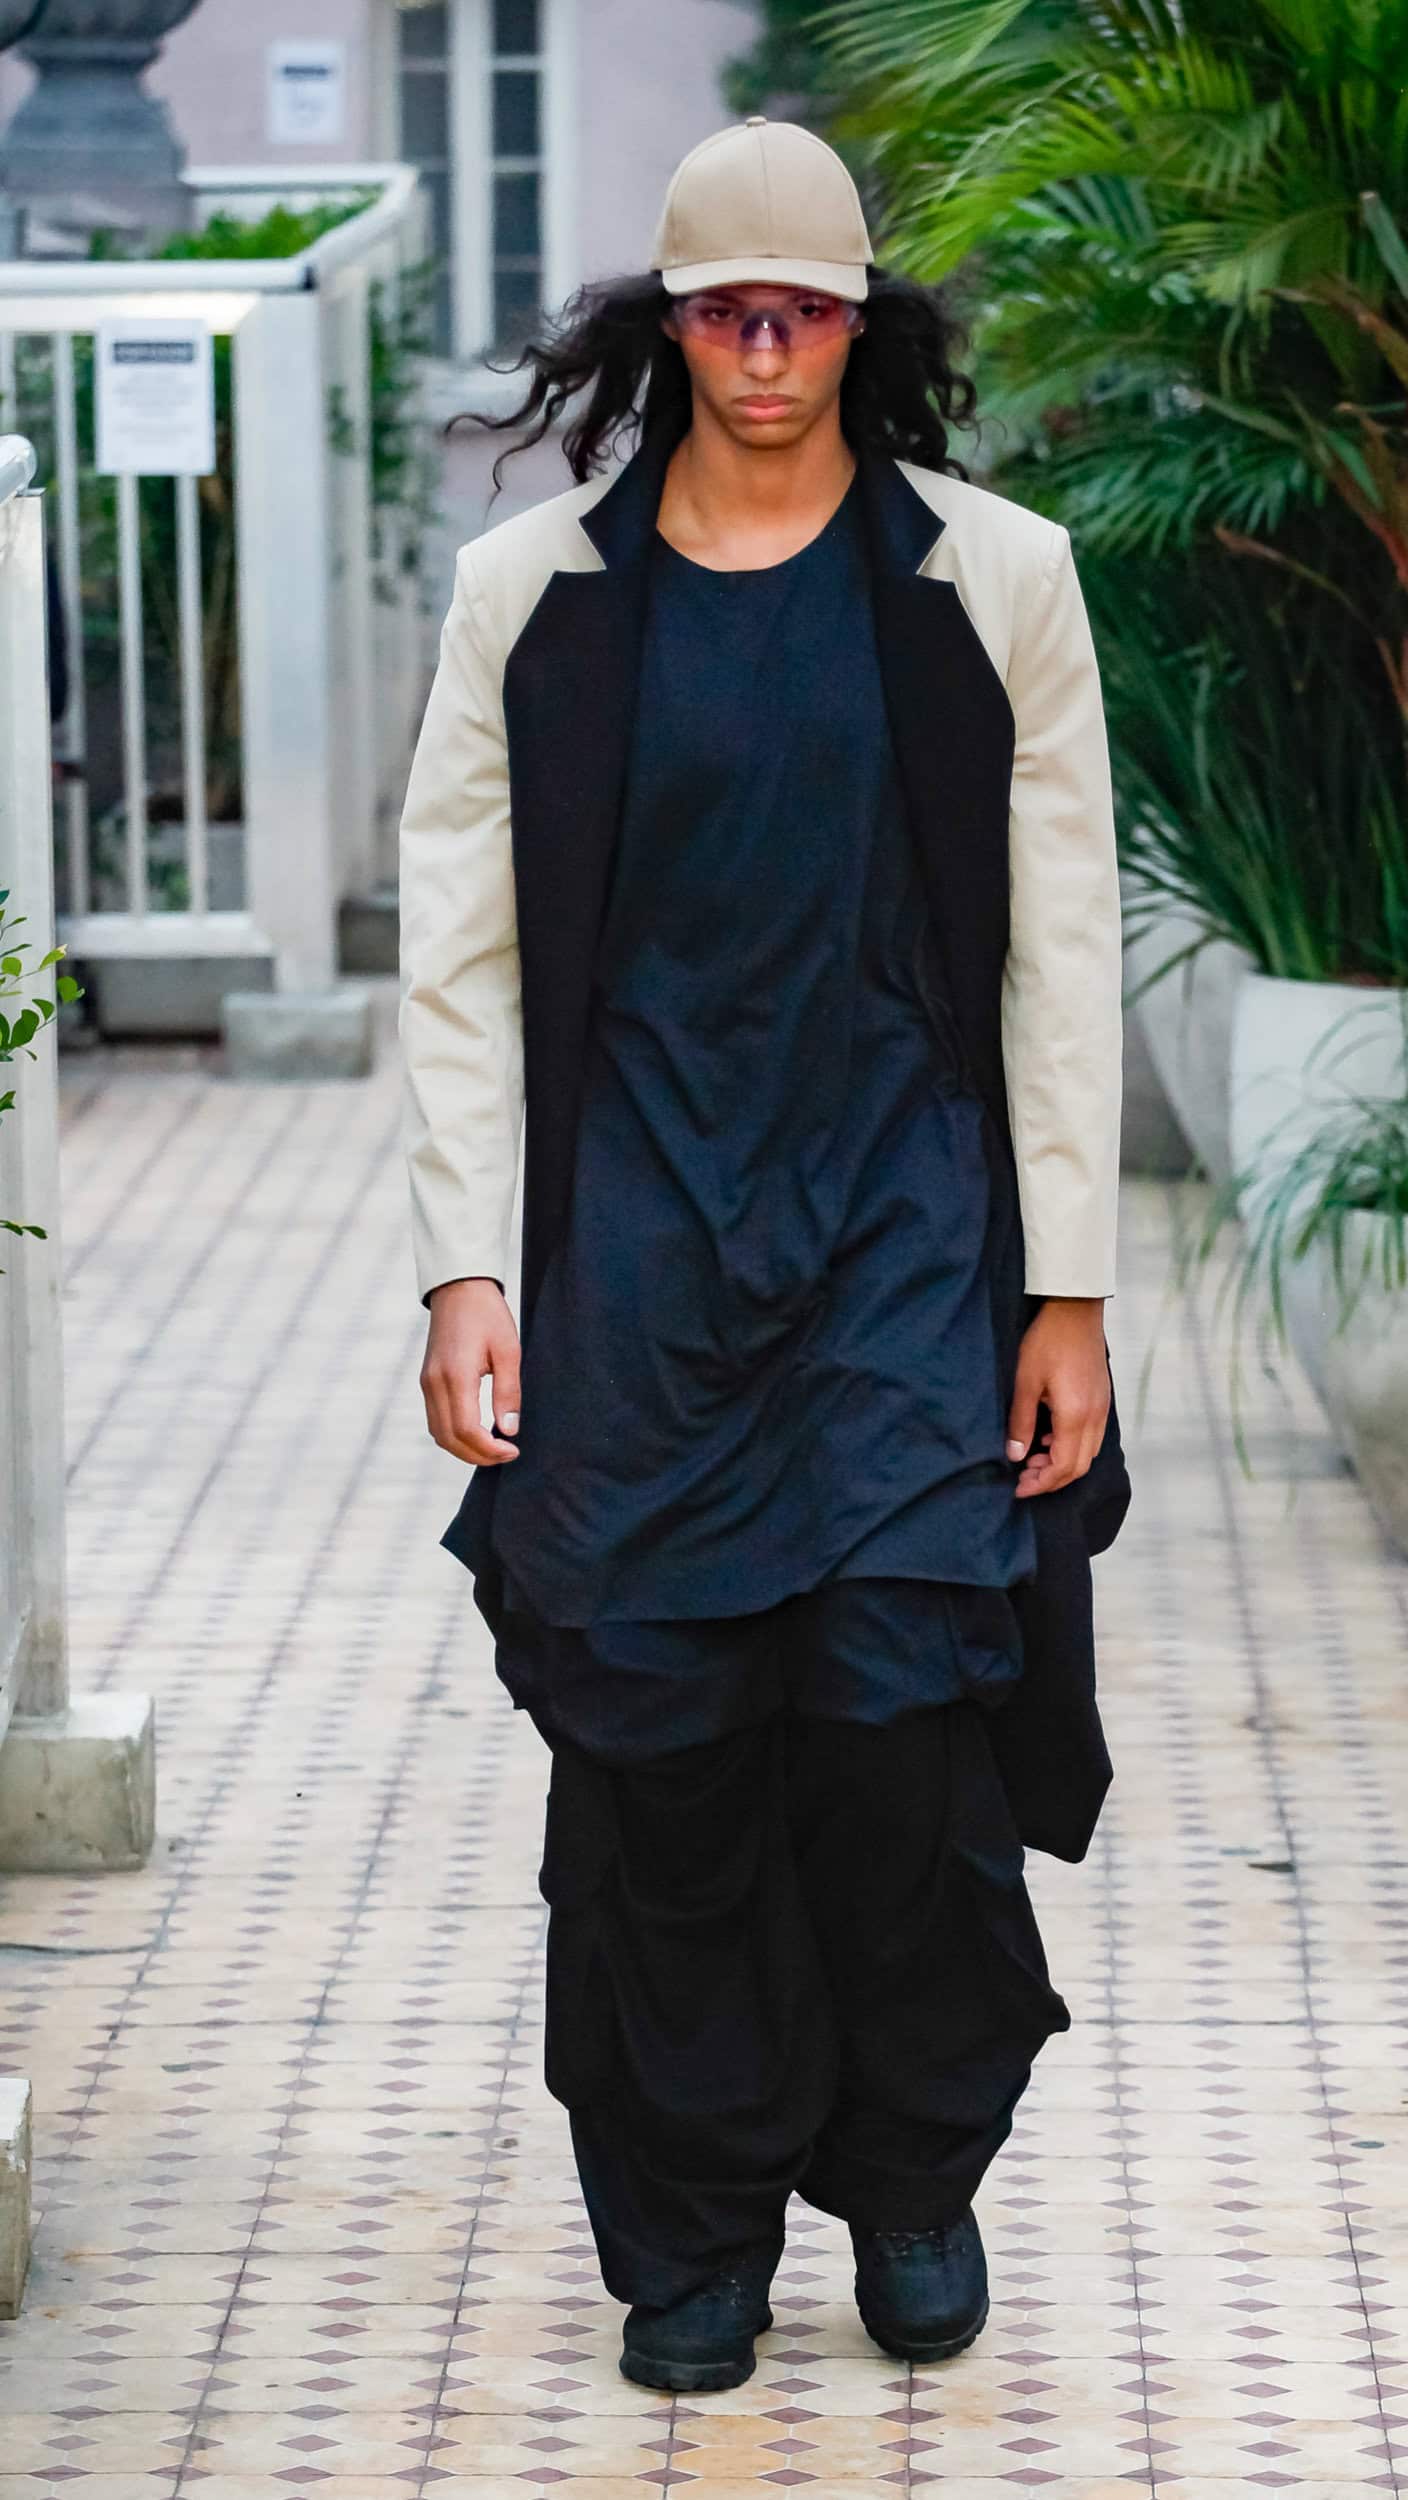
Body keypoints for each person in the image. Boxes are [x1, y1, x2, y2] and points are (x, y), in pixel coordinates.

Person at [397, 116, 1128, 2395]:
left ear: (860, 327)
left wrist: (1071, 1288)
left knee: (901, 1733)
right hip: (637, 1243)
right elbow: (459, 954)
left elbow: (1063, 951)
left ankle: (913, 2178)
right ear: (672, 327)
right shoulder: (534, 596)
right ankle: (694, 2230)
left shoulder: (994, 580)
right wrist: (463, 1267)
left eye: (806, 310)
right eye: (730, 311)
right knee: (664, 1751)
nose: (769, 350)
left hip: (911, 1230)